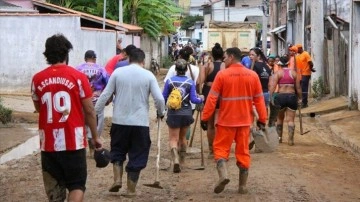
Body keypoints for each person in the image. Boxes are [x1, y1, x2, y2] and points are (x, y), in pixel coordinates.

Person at [31, 34, 102, 202]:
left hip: (48, 144)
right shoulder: (78, 77)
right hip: (73, 142)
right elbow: (90, 111)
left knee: (55, 192)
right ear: (66, 54)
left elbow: (39, 108)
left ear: (47, 55)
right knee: (77, 186)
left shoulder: (37, 79)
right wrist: (95, 137)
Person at [95, 48, 165, 197]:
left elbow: (106, 94)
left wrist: (95, 111)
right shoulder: (148, 75)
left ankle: (117, 179)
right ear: (143, 61)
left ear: (128, 59)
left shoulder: (118, 73)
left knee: (118, 150)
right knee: (138, 154)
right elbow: (159, 99)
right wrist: (161, 112)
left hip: (120, 121)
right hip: (140, 123)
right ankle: (131, 190)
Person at [201, 47, 267, 194]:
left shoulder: (222, 75)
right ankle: (242, 186)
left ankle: (223, 175)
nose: (223, 60)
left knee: (220, 150)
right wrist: (262, 119)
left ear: (231, 57)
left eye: (225, 57)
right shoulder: (252, 76)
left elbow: (212, 99)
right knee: (243, 153)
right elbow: (259, 100)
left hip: (226, 122)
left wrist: (205, 117)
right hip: (244, 122)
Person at [163, 59, 204, 173]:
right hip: (186, 113)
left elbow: (163, 97)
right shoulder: (190, 82)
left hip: (173, 113)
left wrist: (160, 110)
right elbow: (193, 99)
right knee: (182, 138)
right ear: (186, 70)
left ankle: (175, 159)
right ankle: (182, 162)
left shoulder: (169, 81)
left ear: (175, 69)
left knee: (173, 139)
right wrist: (201, 98)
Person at [164, 46, 200, 144]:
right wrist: (200, 99)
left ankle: (175, 146)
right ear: (190, 57)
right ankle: (184, 143)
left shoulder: (172, 68)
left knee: (175, 127)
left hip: (174, 103)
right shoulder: (196, 69)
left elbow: (166, 83)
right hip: (189, 105)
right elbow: (198, 83)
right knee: (185, 124)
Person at [76, 50, 109, 156]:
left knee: (82, 122)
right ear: (94, 59)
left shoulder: (78, 69)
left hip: (81, 101)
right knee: (97, 123)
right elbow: (108, 83)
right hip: (97, 101)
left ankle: (84, 147)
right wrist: (108, 98)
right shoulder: (101, 69)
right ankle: (93, 145)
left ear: (85, 59)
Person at [198, 43, 225, 158]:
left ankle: (211, 150)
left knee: (210, 125)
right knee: (220, 123)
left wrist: (199, 94)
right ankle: (220, 149)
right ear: (222, 55)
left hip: (209, 93)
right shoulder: (225, 66)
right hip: (222, 94)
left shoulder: (207, 66)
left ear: (212, 55)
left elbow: (200, 82)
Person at [269, 55, 302, 145]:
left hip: (281, 97)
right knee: (291, 120)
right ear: (288, 63)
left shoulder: (278, 73)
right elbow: (298, 88)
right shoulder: (294, 73)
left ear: (279, 64)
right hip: (291, 97)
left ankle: (279, 138)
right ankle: (290, 140)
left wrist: (271, 97)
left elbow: (272, 86)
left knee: (280, 119)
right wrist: (300, 98)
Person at [295, 44, 315, 108]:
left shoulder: (306, 54)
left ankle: (305, 103)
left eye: (297, 49)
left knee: (304, 88)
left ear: (300, 48)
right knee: (300, 88)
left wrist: (311, 68)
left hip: (306, 74)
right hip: (300, 74)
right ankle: (301, 102)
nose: (296, 50)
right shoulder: (297, 56)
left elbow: (310, 63)